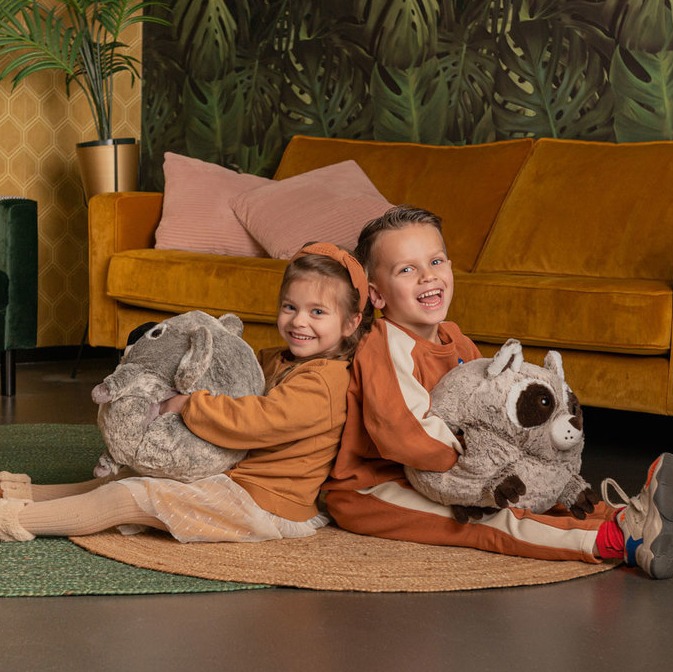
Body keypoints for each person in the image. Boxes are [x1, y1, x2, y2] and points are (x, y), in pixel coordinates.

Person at [322, 204, 673, 579]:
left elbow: (495, 410)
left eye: (436, 262)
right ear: (377, 295)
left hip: (453, 473)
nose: (427, 276)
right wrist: (477, 469)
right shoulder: (383, 344)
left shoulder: (455, 339)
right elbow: (402, 432)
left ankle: (624, 515)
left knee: (525, 492)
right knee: (486, 520)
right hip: (376, 488)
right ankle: (617, 540)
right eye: (406, 270)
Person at [0, 242, 372, 544]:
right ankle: (21, 492)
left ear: (351, 322)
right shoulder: (279, 358)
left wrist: (189, 403)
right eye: (290, 307)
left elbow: (259, 421)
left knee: (124, 498)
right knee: (125, 478)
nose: (299, 321)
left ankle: (16, 521)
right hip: (235, 479)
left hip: (262, 504)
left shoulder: (327, 381)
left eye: (317, 312)